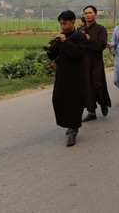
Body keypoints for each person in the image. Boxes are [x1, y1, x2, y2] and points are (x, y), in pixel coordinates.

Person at [47, 10, 88, 147]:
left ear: (72, 22)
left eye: (65, 23)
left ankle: (73, 130)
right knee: (58, 99)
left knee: (74, 102)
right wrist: (51, 47)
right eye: (61, 24)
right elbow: (53, 56)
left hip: (76, 75)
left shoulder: (80, 37)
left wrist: (66, 42)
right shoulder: (61, 37)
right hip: (62, 74)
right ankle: (69, 125)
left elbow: (78, 54)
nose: (63, 26)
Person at [80, 5, 111, 123]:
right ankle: (91, 112)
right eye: (86, 13)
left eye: (90, 13)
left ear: (95, 15)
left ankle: (103, 103)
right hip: (84, 62)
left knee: (97, 85)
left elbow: (102, 45)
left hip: (96, 62)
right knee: (87, 87)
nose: (88, 15)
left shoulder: (100, 29)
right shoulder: (81, 30)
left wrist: (90, 39)